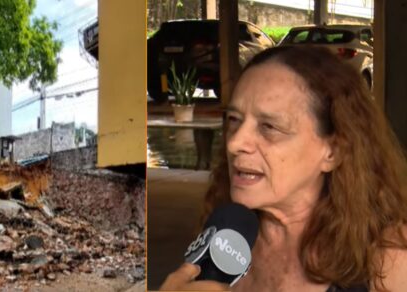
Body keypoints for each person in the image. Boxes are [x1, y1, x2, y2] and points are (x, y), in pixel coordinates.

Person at [160, 46, 407, 291]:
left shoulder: (391, 259)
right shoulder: (227, 235)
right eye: (234, 120)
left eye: (269, 127)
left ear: (333, 152)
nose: (234, 142)